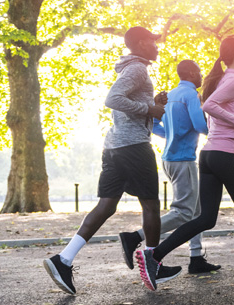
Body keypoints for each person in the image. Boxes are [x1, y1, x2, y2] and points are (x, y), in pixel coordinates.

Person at [135, 35, 234, 291]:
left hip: (209, 155)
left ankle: (154, 255)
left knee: (206, 218)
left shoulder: (224, 80)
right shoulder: (233, 80)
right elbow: (211, 106)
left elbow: (215, 115)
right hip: (226, 155)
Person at [44, 26, 171, 295]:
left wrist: (152, 101)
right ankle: (153, 263)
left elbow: (129, 104)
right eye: (152, 41)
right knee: (151, 205)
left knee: (106, 206)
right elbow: (112, 99)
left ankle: (63, 259)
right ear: (140, 43)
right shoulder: (137, 69)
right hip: (134, 147)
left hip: (114, 147)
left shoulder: (132, 68)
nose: (156, 46)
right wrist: (149, 107)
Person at [117, 60, 221, 275]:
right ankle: (134, 237)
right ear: (192, 73)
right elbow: (200, 125)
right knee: (184, 213)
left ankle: (196, 258)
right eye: (199, 72)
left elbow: (156, 126)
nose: (201, 76)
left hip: (169, 159)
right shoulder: (191, 95)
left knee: (197, 211)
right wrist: (223, 130)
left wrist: (174, 135)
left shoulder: (171, 95)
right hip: (183, 159)